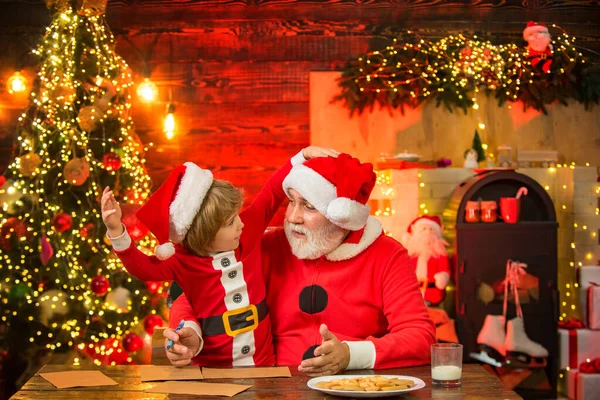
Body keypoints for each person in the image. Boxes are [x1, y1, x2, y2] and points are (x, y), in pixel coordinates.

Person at [165, 153, 436, 375]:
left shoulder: (386, 255)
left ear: (341, 215)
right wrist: (189, 330)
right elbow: (194, 295)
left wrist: (352, 354)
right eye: (291, 202)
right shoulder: (267, 246)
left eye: (308, 206)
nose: (293, 217)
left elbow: (420, 337)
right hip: (271, 388)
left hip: (353, 389)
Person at [101, 146, 338, 367]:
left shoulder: (247, 233)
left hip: (264, 366)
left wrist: (301, 157)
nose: (240, 224)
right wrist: (116, 231)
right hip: (213, 370)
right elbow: (142, 268)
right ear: (205, 234)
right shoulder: (182, 261)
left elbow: (271, 193)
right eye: (230, 222)